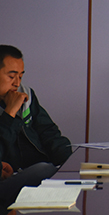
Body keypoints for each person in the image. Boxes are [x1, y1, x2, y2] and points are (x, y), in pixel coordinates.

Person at [0, 45, 72, 211]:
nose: (17, 83)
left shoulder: (26, 95)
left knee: (55, 172)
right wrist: (10, 113)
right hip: (9, 180)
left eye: (20, 76)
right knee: (44, 170)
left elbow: (49, 133)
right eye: (11, 76)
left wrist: (69, 165)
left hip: (32, 171)